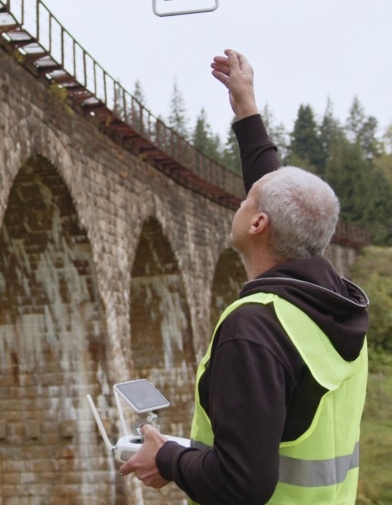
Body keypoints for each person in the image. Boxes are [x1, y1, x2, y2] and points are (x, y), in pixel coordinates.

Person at [119, 49, 370, 504]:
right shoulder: (335, 300)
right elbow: (278, 198)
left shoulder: (253, 330)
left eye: (246, 200)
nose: (240, 200)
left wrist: (168, 459)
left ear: (259, 226)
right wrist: (246, 111)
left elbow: (243, 483)